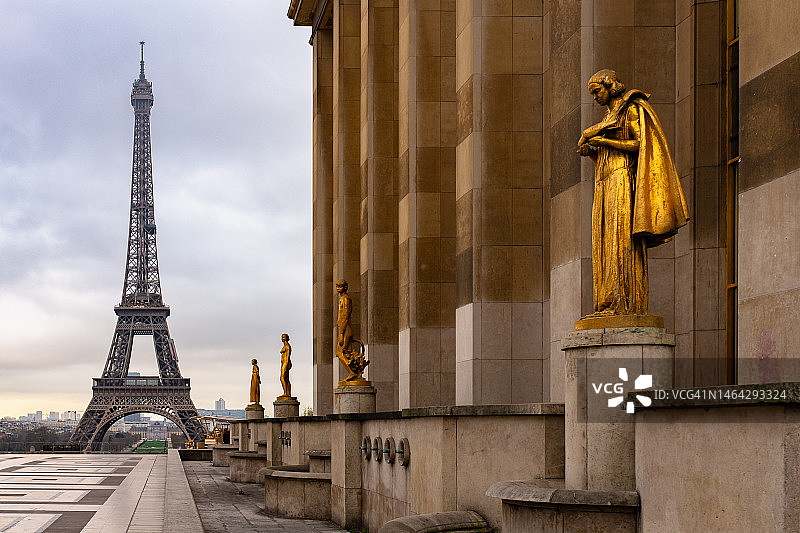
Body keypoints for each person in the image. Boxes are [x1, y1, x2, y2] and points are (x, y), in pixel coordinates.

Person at [577, 69, 688, 316]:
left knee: (620, 240)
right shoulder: (608, 117)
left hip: (622, 181)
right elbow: (608, 154)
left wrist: (604, 141)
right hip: (604, 182)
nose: (595, 97)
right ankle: (607, 303)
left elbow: (641, 144)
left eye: (597, 91)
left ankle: (624, 304)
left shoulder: (632, 108)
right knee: (605, 243)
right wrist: (593, 153)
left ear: (610, 86)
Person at [279, 333, 292, 398]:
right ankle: (287, 393)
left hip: (286, 363)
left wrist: (286, 365)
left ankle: (286, 393)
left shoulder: (287, 346)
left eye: (284, 337)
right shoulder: (285, 346)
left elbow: (287, 356)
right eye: (282, 337)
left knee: (282, 377)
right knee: (286, 379)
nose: (282, 338)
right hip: (284, 363)